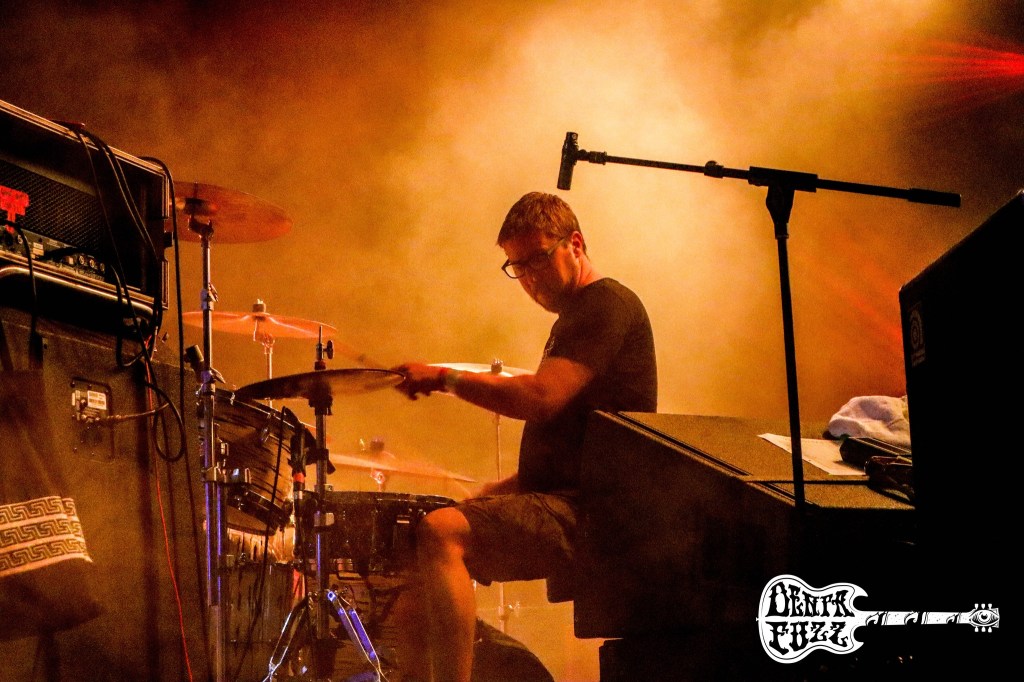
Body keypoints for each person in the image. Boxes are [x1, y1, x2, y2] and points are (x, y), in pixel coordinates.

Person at [394, 191, 657, 682]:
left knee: (440, 534)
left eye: (537, 259)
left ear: (575, 243)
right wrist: (492, 494)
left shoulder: (605, 305)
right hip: (572, 499)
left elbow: (540, 398)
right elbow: (569, 455)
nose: (530, 278)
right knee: (417, 566)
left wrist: (445, 378)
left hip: (594, 513)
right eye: (518, 267)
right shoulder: (576, 318)